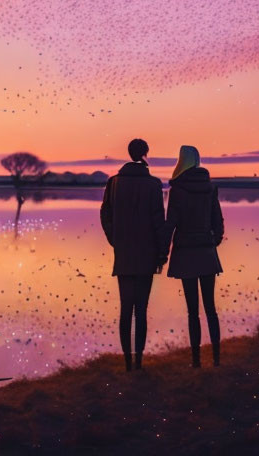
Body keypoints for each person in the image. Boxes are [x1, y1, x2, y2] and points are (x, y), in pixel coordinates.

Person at [100, 138, 168, 371]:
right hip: (147, 255)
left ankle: (128, 361)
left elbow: (105, 215)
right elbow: (159, 221)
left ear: (129, 153)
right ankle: (138, 360)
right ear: (145, 153)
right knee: (141, 309)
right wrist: (162, 253)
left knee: (125, 308)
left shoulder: (114, 182)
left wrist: (115, 240)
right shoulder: (153, 184)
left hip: (124, 254)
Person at [164, 145, 224, 368]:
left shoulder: (177, 190)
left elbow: (171, 224)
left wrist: (162, 253)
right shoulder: (210, 187)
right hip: (206, 252)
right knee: (211, 307)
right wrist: (212, 242)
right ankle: (217, 360)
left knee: (192, 311)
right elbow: (218, 221)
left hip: (186, 253)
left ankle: (196, 362)